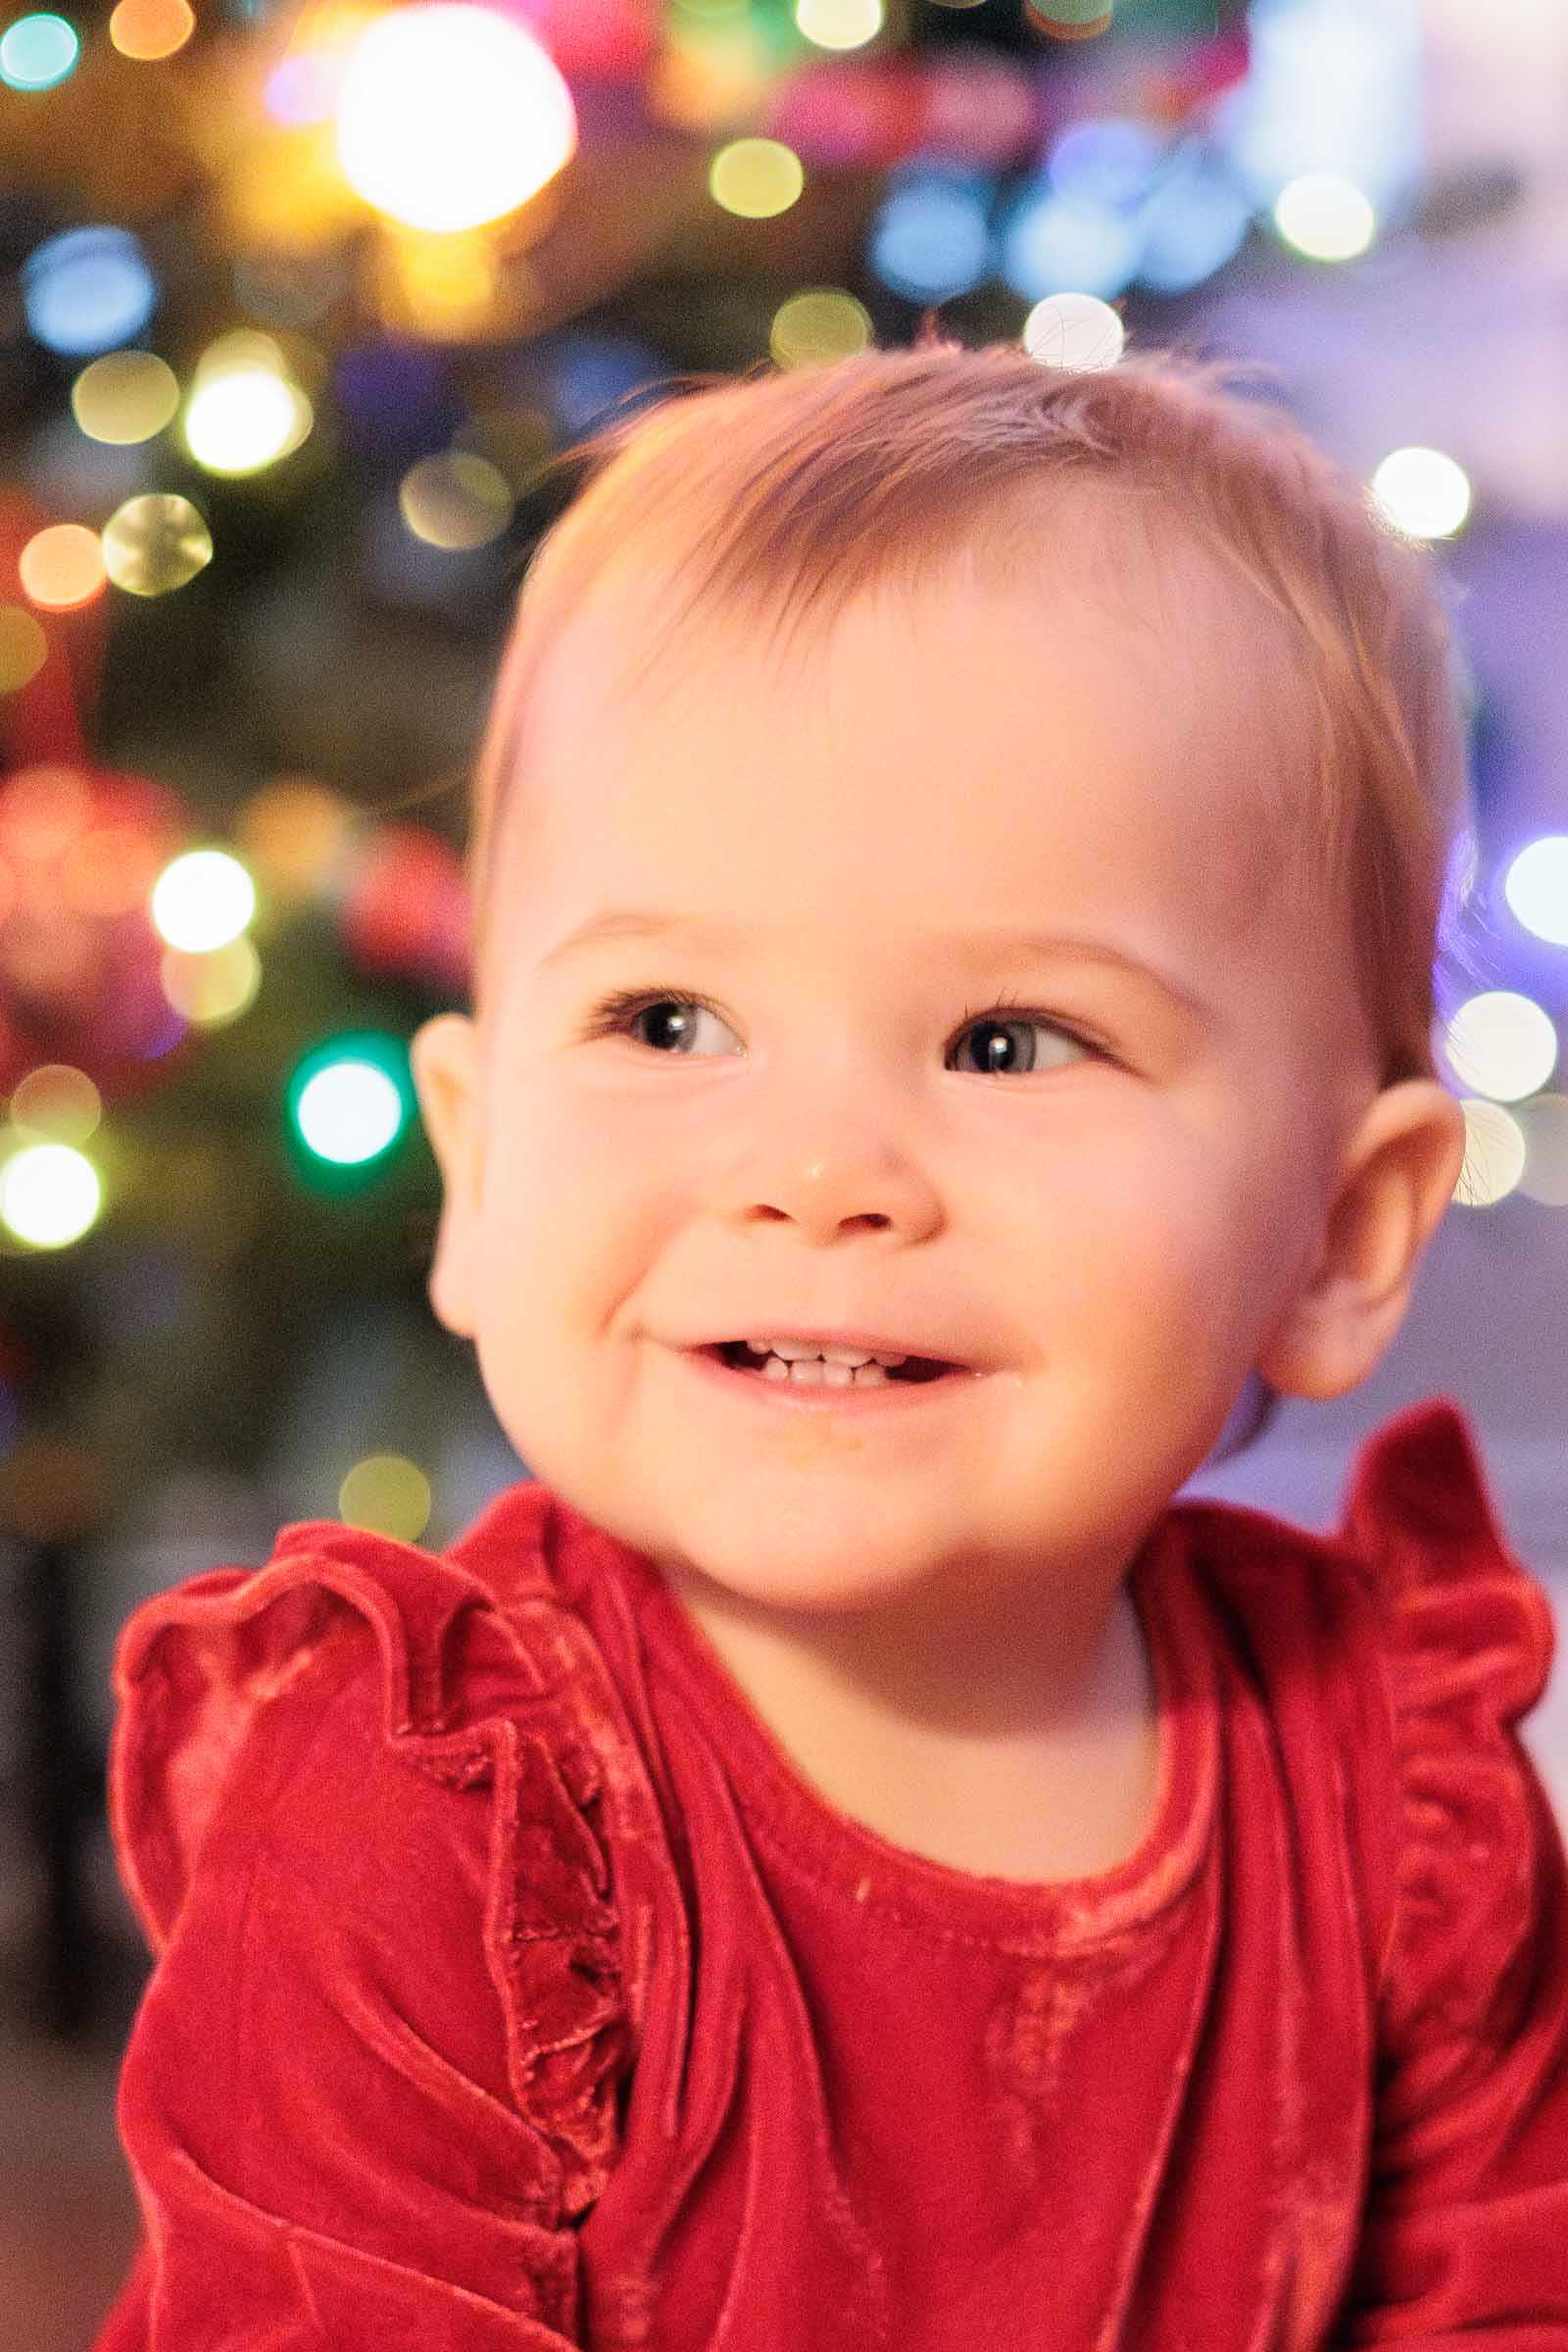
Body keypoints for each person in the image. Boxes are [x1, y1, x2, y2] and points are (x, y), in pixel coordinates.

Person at [93, 335, 1568, 2350]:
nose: (814, 1173)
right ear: (474, 1149)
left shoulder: (1395, 1806)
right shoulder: (434, 1820)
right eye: (664, 1021)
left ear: (1336, 1235)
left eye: (1006, 1040)